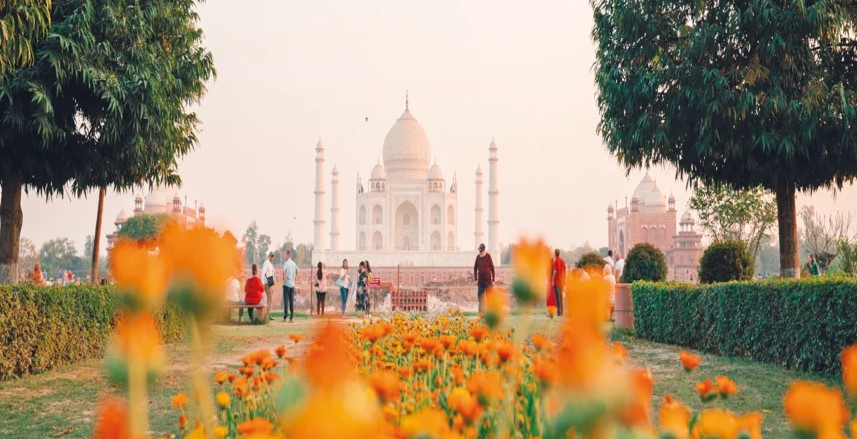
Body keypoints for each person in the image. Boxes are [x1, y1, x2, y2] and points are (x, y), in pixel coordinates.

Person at [474, 243, 495, 313]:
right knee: (481, 300)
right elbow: (475, 268)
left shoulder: (488, 256)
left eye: (481, 251)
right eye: (479, 251)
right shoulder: (478, 257)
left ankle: (490, 314)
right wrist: (476, 279)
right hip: (480, 283)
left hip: (488, 282)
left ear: (484, 250)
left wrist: (493, 280)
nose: (480, 252)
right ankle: (481, 314)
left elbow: (492, 268)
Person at [282, 250, 299, 323]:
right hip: (292, 285)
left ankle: (285, 317)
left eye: (285, 254)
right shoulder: (293, 263)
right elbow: (297, 271)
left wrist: (284, 278)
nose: (284, 255)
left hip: (286, 284)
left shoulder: (286, 263)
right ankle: (291, 318)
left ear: (288, 255)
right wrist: (295, 278)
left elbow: (283, 271)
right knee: (291, 302)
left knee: (286, 302)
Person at [551, 249, 566, 317]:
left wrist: (552, 280)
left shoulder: (555, 261)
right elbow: (564, 271)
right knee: (561, 297)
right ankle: (562, 312)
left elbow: (554, 272)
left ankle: (559, 312)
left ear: (555, 253)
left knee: (557, 297)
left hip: (556, 282)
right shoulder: (562, 261)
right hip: (562, 282)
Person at [261, 252, 276, 320]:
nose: (272, 258)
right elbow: (263, 272)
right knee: (270, 299)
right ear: (269, 256)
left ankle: (267, 314)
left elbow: (271, 274)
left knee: (269, 299)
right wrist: (263, 283)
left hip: (270, 282)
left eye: (273, 256)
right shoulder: (266, 263)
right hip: (267, 283)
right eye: (271, 256)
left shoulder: (271, 264)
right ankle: (268, 315)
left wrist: (272, 284)